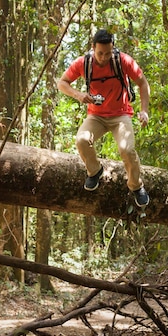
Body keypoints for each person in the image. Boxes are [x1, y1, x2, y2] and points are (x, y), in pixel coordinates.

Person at [57, 28, 150, 207]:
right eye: (100, 53)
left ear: (113, 49)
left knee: (127, 149)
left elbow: (142, 83)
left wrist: (144, 110)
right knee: (82, 140)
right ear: (93, 48)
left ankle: (136, 186)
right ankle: (95, 171)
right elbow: (62, 82)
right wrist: (78, 95)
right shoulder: (83, 63)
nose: (104, 57)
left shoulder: (123, 61)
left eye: (108, 53)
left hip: (120, 115)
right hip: (96, 116)